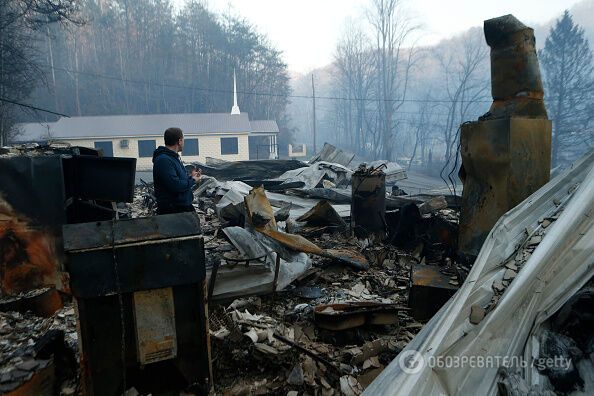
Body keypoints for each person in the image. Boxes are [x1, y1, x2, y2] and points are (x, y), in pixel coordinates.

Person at [152, 127, 201, 215]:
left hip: (180, 209)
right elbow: (175, 185)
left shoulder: (173, 158)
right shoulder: (164, 160)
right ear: (179, 141)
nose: (183, 143)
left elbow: (177, 180)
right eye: (183, 140)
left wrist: (191, 177)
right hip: (173, 212)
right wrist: (193, 180)